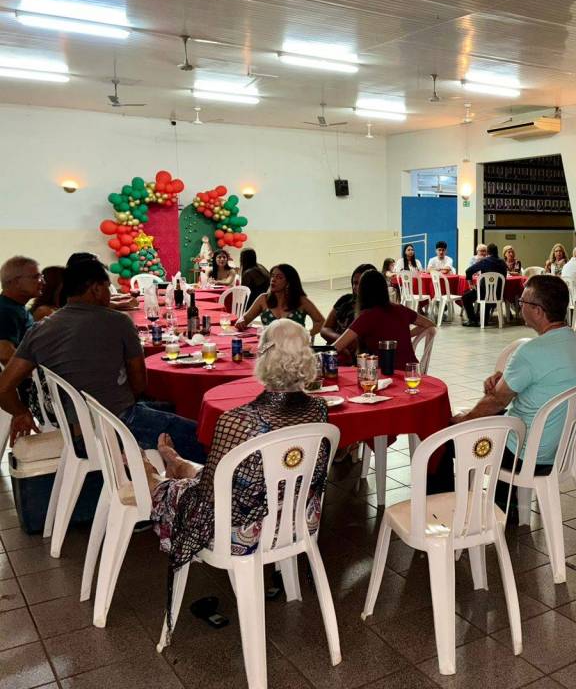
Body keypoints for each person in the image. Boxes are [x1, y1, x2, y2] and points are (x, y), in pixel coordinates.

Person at [145, 319, 330, 639]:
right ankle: (177, 466)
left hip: (245, 528)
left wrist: (182, 484)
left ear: (263, 357)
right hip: (299, 519)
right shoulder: (319, 410)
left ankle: (157, 473)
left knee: (170, 488)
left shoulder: (237, 419)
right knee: (215, 477)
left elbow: (210, 495)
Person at [0, 259, 205, 461]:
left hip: (72, 431)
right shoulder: (119, 322)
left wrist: (20, 412)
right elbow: (139, 384)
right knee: (206, 437)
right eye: (107, 287)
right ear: (96, 289)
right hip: (115, 427)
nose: (109, 293)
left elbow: (3, 388)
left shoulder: (40, 329)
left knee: (170, 408)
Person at [430, 275, 576, 503]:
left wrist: (463, 421)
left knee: (440, 441)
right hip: (559, 450)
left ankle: (442, 509)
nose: (519, 306)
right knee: (501, 421)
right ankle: (505, 508)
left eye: (522, 302)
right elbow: (550, 385)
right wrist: (507, 380)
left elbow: (496, 402)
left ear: (538, 310)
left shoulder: (531, 352)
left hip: (523, 454)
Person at [332, 270, 434, 366]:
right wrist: (403, 336)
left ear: (363, 291)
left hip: (387, 372)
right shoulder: (401, 309)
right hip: (411, 370)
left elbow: (336, 347)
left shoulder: (367, 316)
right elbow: (429, 324)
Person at [236, 264, 325, 339]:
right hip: (269, 347)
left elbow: (321, 322)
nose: (273, 280)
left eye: (279, 277)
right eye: (272, 276)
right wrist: (241, 321)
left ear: (289, 282)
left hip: (295, 349)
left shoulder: (301, 301)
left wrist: (306, 334)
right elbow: (245, 318)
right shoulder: (263, 299)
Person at [320, 262, 376, 346]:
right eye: (354, 283)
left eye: (360, 283)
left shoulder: (375, 309)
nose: (355, 287)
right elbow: (325, 329)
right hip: (334, 349)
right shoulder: (345, 300)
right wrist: (341, 340)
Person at [0, 256, 42, 364]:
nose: (42, 282)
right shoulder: (5, 310)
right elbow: (4, 354)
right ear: (16, 282)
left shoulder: (16, 308)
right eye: (36, 277)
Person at [461, 243, 508, 326]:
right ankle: (484, 320)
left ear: (488, 252)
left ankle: (472, 320)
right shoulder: (503, 263)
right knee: (487, 292)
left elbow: (468, 271)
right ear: (497, 251)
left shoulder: (485, 261)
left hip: (484, 293)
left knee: (466, 297)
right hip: (498, 294)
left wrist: (471, 284)